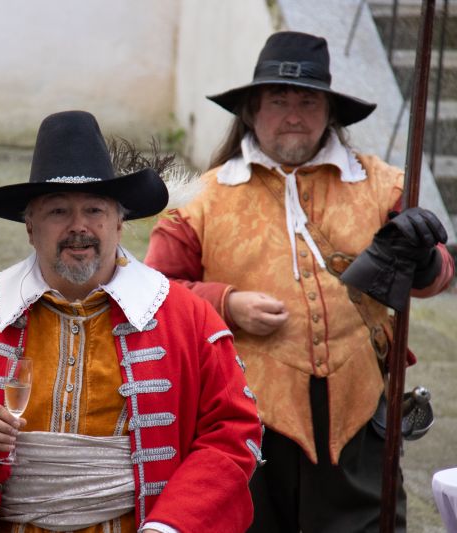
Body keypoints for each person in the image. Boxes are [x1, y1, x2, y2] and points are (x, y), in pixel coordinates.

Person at [0, 110, 263, 533]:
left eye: (94, 210)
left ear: (119, 223)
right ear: (30, 227)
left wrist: (173, 525)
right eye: (58, 211)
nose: (78, 227)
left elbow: (234, 432)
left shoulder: (186, 317)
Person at [144, 31, 455, 532]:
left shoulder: (382, 186)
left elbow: (437, 273)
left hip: (358, 411)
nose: (294, 115)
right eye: (279, 101)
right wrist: (227, 303)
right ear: (252, 111)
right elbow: (155, 292)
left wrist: (422, 262)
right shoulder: (200, 200)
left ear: (329, 112)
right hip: (245, 415)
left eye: (308, 102)